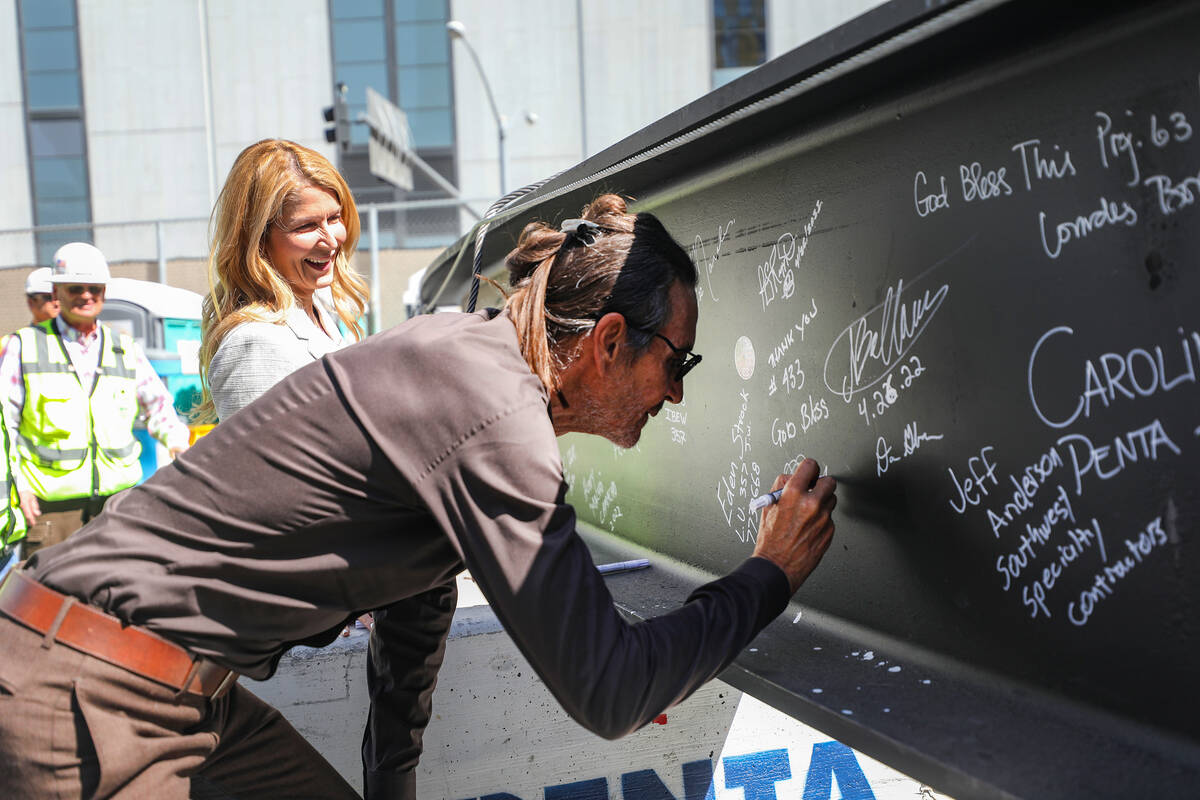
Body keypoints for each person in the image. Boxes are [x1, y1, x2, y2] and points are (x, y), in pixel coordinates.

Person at [0, 195, 837, 799]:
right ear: (610, 341)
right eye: (677, 363)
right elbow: (608, 689)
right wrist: (768, 574)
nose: (677, 395)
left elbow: (417, 609)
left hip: (180, 694)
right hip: (85, 690)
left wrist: (389, 782)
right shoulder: (499, 414)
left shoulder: (467, 361)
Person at [0, 242, 191, 557]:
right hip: (52, 510)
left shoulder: (124, 348)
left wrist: (178, 443)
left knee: (119, 592)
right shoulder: (25, 347)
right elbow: (6, 425)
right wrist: (18, 485)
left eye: (95, 288)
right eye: (76, 287)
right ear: (57, 293)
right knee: (51, 598)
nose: (86, 295)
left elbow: (158, 407)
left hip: (118, 503)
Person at [197, 139, 368, 423]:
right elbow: (254, 464)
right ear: (258, 241)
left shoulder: (318, 316)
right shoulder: (254, 341)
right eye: (306, 226)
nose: (330, 241)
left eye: (335, 217)